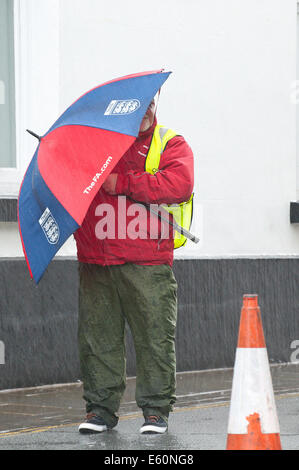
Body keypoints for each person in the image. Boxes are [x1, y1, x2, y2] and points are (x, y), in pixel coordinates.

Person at [75, 97, 194, 434]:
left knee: (154, 336)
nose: (145, 111)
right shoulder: (96, 144)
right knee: (97, 338)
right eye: (138, 105)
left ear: (157, 105)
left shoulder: (169, 142)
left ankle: (156, 411)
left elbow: (180, 184)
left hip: (147, 258)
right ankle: (99, 410)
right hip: (95, 258)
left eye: (150, 104)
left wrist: (123, 182)